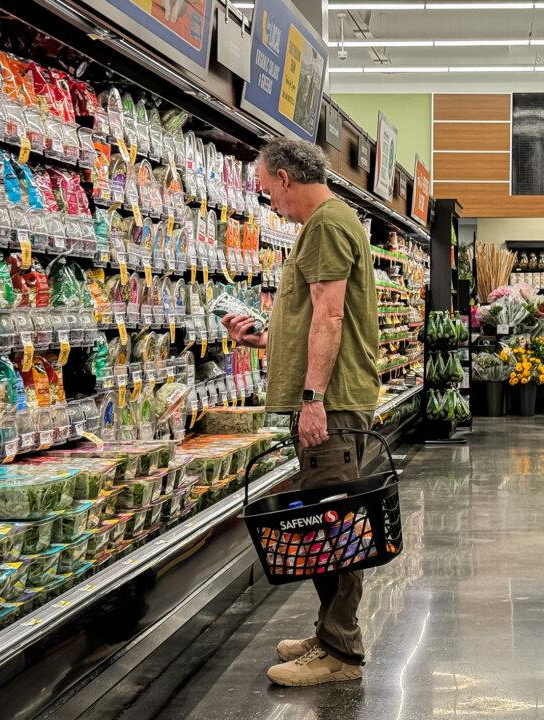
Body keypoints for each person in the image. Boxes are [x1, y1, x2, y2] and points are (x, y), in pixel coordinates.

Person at [222, 136, 379, 687]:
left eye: (269, 192)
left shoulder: (326, 225)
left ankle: (341, 653)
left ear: (286, 177)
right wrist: (265, 339)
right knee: (327, 520)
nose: (271, 204)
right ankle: (329, 631)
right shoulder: (329, 224)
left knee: (335, 527)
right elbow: (313, 319)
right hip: (330, 399)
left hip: (331, 404)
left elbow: (330, 318)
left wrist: (313, 398)